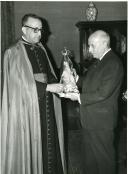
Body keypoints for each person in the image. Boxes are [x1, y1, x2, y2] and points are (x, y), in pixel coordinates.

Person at [1, 14, 67, 174]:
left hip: (46, 106)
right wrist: (47, 88)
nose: (39, 34)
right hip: (27, 109)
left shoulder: (42, 49)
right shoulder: (13, 52)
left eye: (41, 30)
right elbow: (18, 84)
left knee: (48, 144)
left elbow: (49, 73)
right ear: (24, 29)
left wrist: (61, 83)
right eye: (35, 29)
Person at [61, 30, 124, 174]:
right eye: (89, 46)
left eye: (92, 45)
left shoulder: (113, 62)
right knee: (90, 160)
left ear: (104, 43)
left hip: (101, 123)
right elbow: (89, 82)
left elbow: (103, 93)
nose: (89, 50)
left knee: (104, 162)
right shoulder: (100, 61)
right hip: (91, 121)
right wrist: (75, 79)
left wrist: (78, 97)